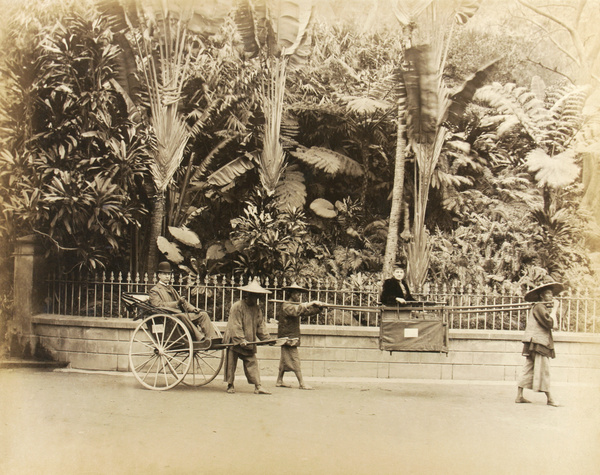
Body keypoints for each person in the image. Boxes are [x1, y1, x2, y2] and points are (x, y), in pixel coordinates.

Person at [516, 277, 564, 407]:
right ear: (542, 296)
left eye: (551, 293)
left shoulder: (538, 307)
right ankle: (550, 398)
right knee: (544, 369)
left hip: (534, 341)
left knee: (529, 368)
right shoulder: (539, 307)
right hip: (538, 342)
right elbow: (551, 324)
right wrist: (554, 309)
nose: (551, 296)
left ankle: (519, 396)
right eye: (548, 293)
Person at [223, 279, 274, 395]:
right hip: (234, 339)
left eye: (258, 297)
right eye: (255, 296)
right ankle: (230, 384)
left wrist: (267, 339)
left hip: (249, 340)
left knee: (252, 361)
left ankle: (258, 386)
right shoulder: (237, 307)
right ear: (248, 295)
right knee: (231, 363)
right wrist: (240, 339)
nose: (257, 299)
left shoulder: (257, 309)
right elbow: (235, 325)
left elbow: (260, 325)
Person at [148, 261, 218, 342]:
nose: (167, 276)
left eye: (169, 274)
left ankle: (213, 338)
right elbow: (158, 306)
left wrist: (194, 309)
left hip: (179, 317)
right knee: (181, 315)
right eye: (164, 274)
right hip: (168, 318)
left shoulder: (171, 288)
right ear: (159, 275)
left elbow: (183, 302)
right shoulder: (154, 290)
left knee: (203, 314)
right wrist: (176, 303)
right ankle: (200, 338)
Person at [276, 283, 324, 390]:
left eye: (299, 294)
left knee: (284, 359)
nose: (298, 296)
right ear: (291, 294)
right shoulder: (286, 306)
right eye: (296, 293)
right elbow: (297, 310)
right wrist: (310, 303)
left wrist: (318, 308)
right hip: (288, 337)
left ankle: (279, 380)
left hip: (290, 336)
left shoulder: (294, 305)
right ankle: (302, 383)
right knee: (294, 359)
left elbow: (304, 312)